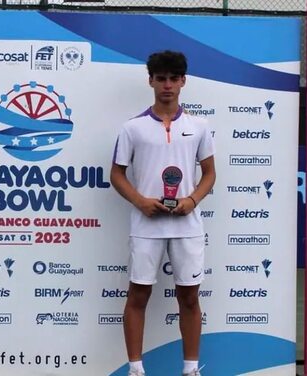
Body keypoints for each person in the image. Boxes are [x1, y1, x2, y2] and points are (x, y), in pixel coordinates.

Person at [110, 50, 215, 376]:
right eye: (161, 79)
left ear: (183, 82)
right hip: (146, 224)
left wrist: (192, 200)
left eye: (173, 78)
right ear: (151, 81)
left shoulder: (199, 126)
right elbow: (116, 174)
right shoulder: (133, 127)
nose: (167, 85)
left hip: (187, 225)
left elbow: (210, 173)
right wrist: (140, 201)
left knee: (189, 298)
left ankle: (190, 369)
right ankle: (136, 369)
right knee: (139, 293)